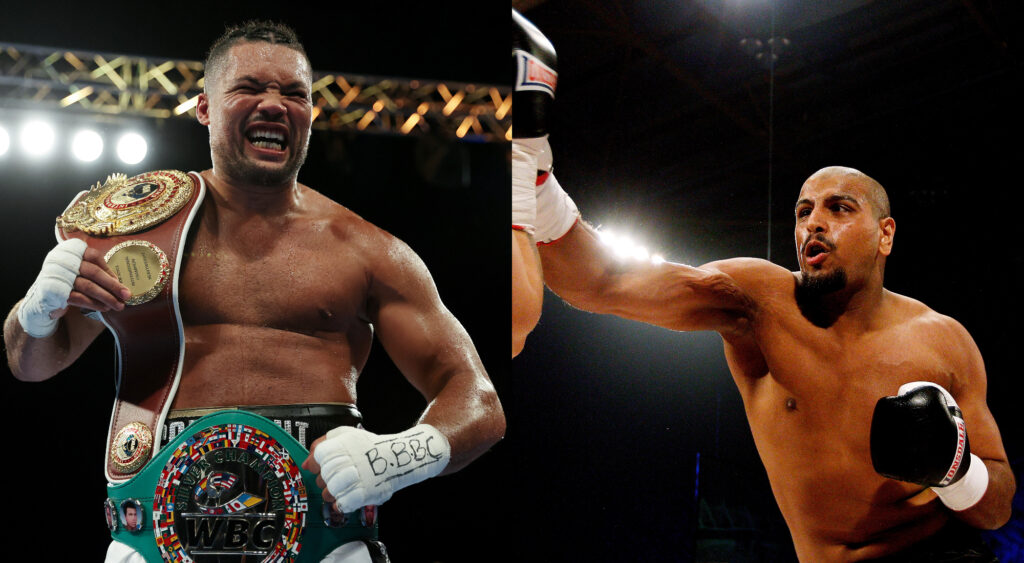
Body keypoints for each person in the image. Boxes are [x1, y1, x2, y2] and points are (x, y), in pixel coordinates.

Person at [4, 21, 504, 562]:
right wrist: (36, 315)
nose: (274, 104)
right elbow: (32, 364)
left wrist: (398, 457)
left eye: (294, 94)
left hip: (324, 546)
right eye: (249, 88)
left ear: (311, 116)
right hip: (152, 542)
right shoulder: (136, 235)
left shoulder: (366, 250)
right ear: (204, 107)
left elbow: (478, 402)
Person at [535, 164, 1015, 561]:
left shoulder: (944, 340)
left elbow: (998, 509)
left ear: (885, 234)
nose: (815, 223)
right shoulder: (758, 302)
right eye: (804, 211)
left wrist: (956, 471)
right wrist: (535, 184)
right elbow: (600, 284)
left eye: (840, 208)